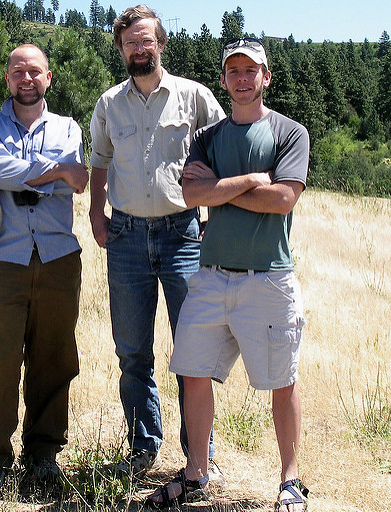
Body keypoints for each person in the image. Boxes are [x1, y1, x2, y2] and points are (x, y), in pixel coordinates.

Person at [147, 38, 310, 511]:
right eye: (233, 71)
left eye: (250, 71)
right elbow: (191, 194)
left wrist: (217, 190)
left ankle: (290, 481)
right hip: (211, 276)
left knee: (283, 380)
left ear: (266, 78)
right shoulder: (209, 136)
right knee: (192, 372)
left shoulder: (289, 133)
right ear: (224, 79)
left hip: (269, 277)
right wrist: (250, 181)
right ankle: (197, 473)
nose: (242, 78)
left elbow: (283, 200)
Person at [89, 4, 225, 476]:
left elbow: (221, 151)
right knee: (132, 351)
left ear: (161, 43)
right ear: (120, 50)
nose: (139, 48)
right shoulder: (109, 104)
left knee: (193, 350)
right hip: (125, 236)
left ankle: (199, 453)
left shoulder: (195, 97)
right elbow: (100, 163)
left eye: (146, 40)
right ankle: (143, 447)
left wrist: (215, 217)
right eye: (130, 42)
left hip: (183, 235)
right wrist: (95, 214)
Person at [0, 44, 89, 489]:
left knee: (54, 358)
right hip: (4, 258)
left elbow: (73, 179)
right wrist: (56, 172)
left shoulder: (68, 128)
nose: (26, 78)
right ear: (7, 79)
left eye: (34, 71)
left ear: (48, 78)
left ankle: (43, 453)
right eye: (18, 71)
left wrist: (13, 175)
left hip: (59, 257)